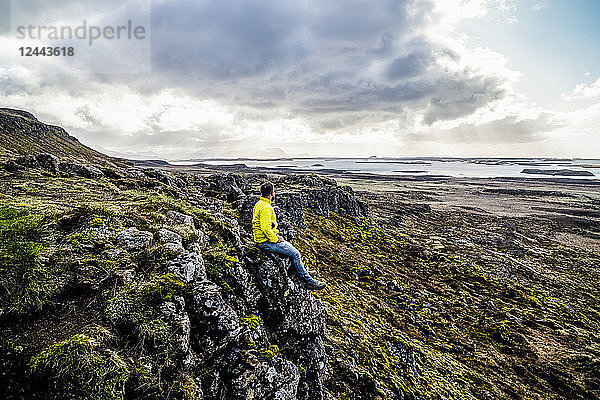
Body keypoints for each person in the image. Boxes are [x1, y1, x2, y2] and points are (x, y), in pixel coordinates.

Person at [253, 181, 327, 291]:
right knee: (296, 254)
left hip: (263, 239)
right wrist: (275, 239)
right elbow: (265, 228)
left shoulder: (260, 204)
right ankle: (309, 281)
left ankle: (302, 270)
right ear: (272, 193)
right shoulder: (266, 208)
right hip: (265, 242)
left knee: (290, 249)